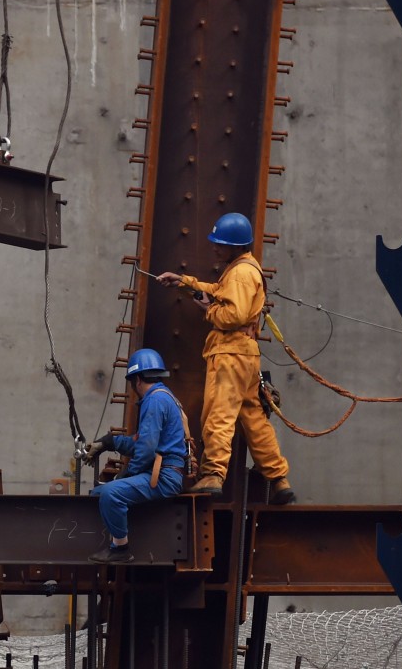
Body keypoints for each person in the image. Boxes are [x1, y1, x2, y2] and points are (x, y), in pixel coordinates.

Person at [157, 212, 295, 504]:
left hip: (230, 354)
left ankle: (213, 475)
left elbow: (233, 314)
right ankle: (279, 479)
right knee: (254, 420)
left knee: (219, 414)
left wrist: (209, 311)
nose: (215, 247)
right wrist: (184, 282)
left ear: (235, 246)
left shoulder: (241, 273)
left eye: (220, 243)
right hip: (244, 356)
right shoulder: (241, 270)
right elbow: (219, 292)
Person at [85, 348, 188, 563]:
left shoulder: (154, 401)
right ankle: (116, 537)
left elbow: (147, 448)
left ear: (138, 379)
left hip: (165, 476)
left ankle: (120, 548)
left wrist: (128, 474)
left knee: (111, 493)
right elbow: (140, 441)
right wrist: (109, 442)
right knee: (99, 493)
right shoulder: (165, 397)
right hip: (166, 472)